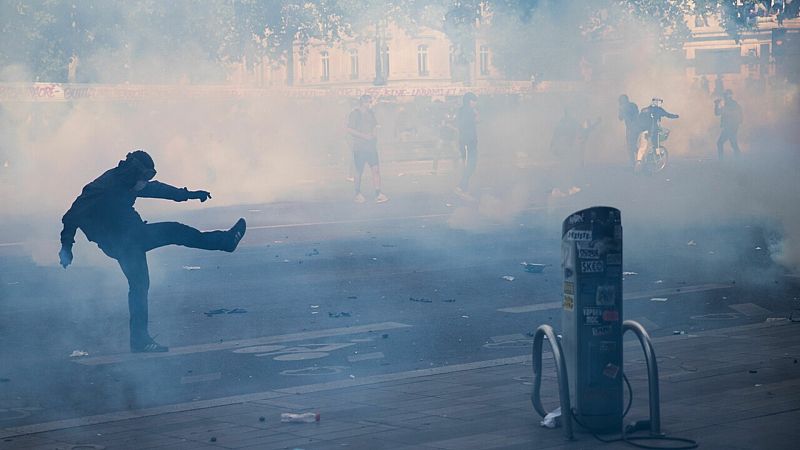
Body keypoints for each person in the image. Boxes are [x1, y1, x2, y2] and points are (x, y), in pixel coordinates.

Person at [58, 150, 246, 353]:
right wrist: (67, 247)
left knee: (140, 286)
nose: (146, 182)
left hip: (129, 239)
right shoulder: (104, 186)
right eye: (145, 176)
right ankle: (225, 241)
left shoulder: (128, 182)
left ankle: (139, 341)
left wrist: (189, 194)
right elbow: (71, 215)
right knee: (175, 231)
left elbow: (158, 190)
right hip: (122, 241)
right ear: (134, 172)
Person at [347, 94, 388, 203]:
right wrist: (364, 136)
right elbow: (349, 129)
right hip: (359, 147)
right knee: (359, 171)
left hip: (371, 147)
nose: (371, 104)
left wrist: (374, 133)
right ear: (363, 103)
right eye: (369, 102)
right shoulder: (355, 114)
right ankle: (357, 193)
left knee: (376, 169)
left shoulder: (371, 113)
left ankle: (378, 193)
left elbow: (375, 125)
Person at [634, 98, 679, 170]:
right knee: (656, 144)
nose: (661, 104)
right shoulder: (658, 110)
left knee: (642, 148)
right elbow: (668, 115)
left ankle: (638, 162)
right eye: (660, 103)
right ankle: (657, 155)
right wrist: (676, 116)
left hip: (644, 131)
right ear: (657, 103)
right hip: (653, 131)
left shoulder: (645, 110)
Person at [455, 92, 479, 199]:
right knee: (470, 164)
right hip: (468, 142)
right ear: (469, 101)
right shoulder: (469, 111)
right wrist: (476, 114)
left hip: (466, 141)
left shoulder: (461, 110)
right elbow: (476, 121)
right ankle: (461, 188)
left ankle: (464, 188)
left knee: (470, 165)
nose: (475, 103)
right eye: (474, 101)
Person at [715, 89, 743, 160]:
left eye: (725, 96)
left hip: (730, 127)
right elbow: (717, 113)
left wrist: (717, 105)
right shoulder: (728, 104)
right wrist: (716, 105)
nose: (724, 97)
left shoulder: (733, 104)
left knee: (720, 143)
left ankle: (722, 160)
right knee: (733, 144)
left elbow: (738, 115)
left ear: (728, 96)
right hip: (729, 127)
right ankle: (739, 159)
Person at [617, 94, 639, 167]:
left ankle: (635, 162)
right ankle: (638, 159)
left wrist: (621, 110)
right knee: (632, 146)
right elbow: (637, 115)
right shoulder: (633, 105)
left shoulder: (623, 107)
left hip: (631, 129)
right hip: (636, 128)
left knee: (630, 147)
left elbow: (620, 118)